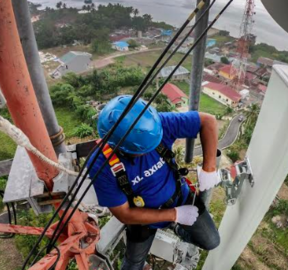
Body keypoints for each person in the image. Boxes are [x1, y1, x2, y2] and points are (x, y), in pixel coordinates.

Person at [89, 95, 221, 270]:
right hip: (143, 218)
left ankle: (178, 229)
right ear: (120, 147)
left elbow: (208, 121)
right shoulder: (102, 165)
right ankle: (173, 226)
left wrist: (209, 169)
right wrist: (174, 215)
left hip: (180, 196)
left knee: (211, 241)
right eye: (142, 151)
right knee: (133, 264)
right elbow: (124, 214)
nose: (150, 151)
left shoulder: (155, 125)